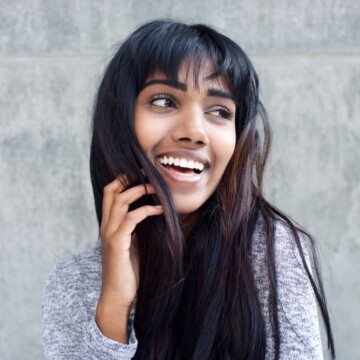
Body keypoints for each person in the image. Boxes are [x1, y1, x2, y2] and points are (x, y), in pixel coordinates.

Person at [42, 20, 335, 359]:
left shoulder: (271, 251)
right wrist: (114, 305)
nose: (194, 132)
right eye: (164, 101)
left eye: (219, 111)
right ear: (120, 120)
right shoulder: (72, 283)